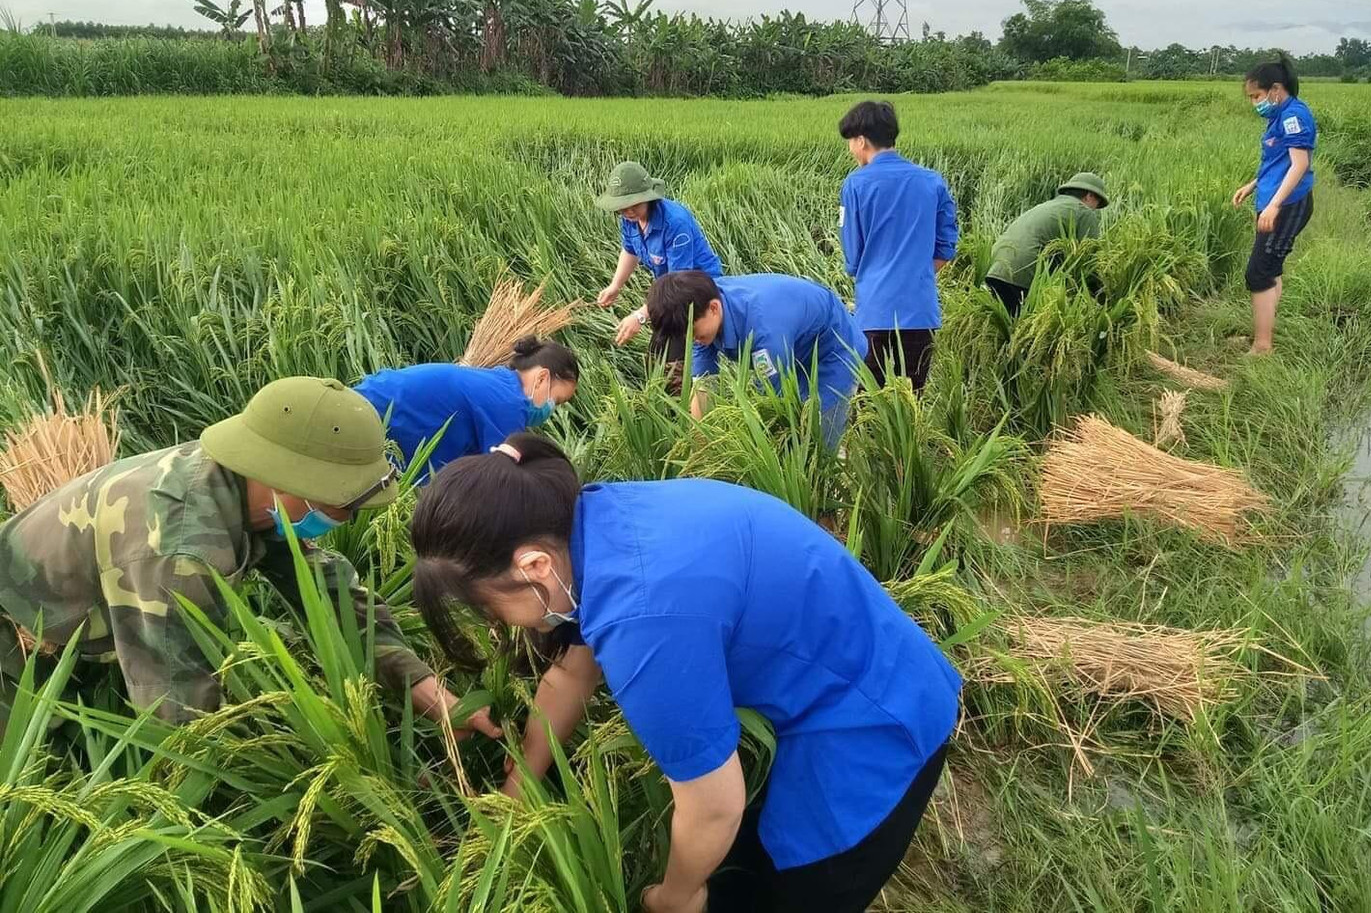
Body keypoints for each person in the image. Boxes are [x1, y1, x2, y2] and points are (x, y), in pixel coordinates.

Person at [411, 433, 962, 913]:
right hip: (862, 659)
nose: (496, 624)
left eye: (489, 609)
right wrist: (518, 788)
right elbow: (570, 677)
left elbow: (714, 807)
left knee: (785, 891)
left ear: (533, 566)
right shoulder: (596, 525)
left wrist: (673, 896)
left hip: (880, 719)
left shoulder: (645, 621)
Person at [0, 376, 497, 740]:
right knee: (31, 773)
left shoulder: (248, 488)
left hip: (76, 616)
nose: (345, 520)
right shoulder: (182, 553)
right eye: (341, 503)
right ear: (288, 479)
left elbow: (332, 598)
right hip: (13, 633)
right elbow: (178, 717)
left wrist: (432, 696)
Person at [644, 271, 867, 449]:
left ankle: (836, 493)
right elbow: (703, 385)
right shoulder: (697, 314)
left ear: (714, 308)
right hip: (797, 348)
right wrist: (700, 445)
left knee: (823, 435)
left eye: (693, 333)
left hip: (834, 350)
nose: (692, 341)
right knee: (799, 428)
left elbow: (773, 405)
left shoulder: (764, 333)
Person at [838, 100, 958, 390]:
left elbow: (852, 256)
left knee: (869, 400)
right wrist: (915, 273)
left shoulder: (856, 185)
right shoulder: (933, 182)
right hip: (920, 309)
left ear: (861, 141)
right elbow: (946, 247)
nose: (851, 150)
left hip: (874, 311)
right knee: (913, 397)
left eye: (850, 143)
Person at [355, 337, 579, 477]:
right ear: (542, 378)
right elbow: (500, 476)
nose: (551, 410)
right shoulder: (508, 404)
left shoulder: (500, 380)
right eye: (556, 401)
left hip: (374, 397)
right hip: (373, 414)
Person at [1231, 53, 1316, 355]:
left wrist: (1274, 206)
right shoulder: (1278, 116)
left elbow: (1299, 165)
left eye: (1256, 95)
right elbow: (1277, 161)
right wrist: (1252, 185)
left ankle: (1263, 345)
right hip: (1273, 199)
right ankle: (1263, 333)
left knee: (1259, 272)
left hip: (1287, 204)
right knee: (1271, 267)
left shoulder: (1294, 116)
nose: (1255, 102)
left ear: (1276, 89)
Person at [594, 161, 724, 346]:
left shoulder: (675, 223)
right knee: (660, 348)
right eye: (622, 207)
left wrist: (639, 316)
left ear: (648, 197)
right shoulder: (631, 219)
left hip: (698, 290)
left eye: (634, 204)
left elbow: (678, 283)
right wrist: (615, 286)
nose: (628, 211)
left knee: (688, 345)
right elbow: (630, 250)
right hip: (670, 291)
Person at [985, 173, 1109, 318]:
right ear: (1089, 196)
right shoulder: (1084, 212)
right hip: (1024, 276)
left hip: (996, 269)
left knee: (1007, 330)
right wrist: (1103, 297)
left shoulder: (1046, 206)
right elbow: (1088, 260)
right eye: (1097, 203)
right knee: (1028, 331)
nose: (1095, 209)